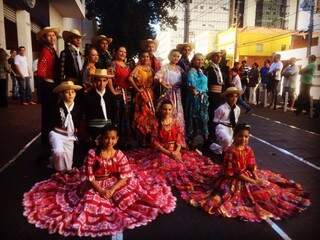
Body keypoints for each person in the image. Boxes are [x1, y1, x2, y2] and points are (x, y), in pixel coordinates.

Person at [23, 125, 176, 237]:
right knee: (89, 204)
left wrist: (112, 189)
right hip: (94, 184)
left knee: (129, 195)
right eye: (107, 138)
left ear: (116, 140)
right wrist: (102, 190)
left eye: (113, 138)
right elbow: (89, 177)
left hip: (114, 183)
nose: (109, 141)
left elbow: (125, 176)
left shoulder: (119, 154)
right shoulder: (92, 154)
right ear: (101, 138)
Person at [183, 123, 310, 222]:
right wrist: (254, 181)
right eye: (240, 136)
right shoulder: (230, 151)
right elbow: (236, 174)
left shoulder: (248, 149)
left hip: (246, 175)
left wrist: (256, 176)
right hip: (232, 179)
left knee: (269, 188)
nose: (244, 139)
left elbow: (252, 165)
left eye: (246, 136)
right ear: (235, 136)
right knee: (244, 196)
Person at [127, 100, 220, 192]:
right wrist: (169, 153)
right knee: (167, 166)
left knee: (185, 166)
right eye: (165, 109)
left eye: (169, 109)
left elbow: (179, 138)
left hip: (175, 150)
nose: (167, 112)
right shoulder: (156, 123)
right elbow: (154, 142)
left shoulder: (175, 122)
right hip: (162, 151)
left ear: (172, 110)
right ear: (161, 110)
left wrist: (176, 151)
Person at [49, 80, 82, 171]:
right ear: (61, 94)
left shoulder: (78, 108)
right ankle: (55, 163)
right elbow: (51, 123)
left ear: (75, 94)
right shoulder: (57, 107)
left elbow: (78, 123)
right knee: (58, 153)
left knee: (68, 168)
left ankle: (54, 160)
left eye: (72, 92)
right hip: (57, 134)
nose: (70, 95)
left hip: (70, 136)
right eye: (67, 92)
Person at [37, 26, 60, 148]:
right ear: (45, 38)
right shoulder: (45, 51)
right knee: (48, 116)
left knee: (51, 116)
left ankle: (50, 142)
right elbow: (41, 71)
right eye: (49, 35)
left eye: (53, 35)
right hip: (48, 86)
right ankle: (46, 144)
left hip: (52, 85)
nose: (52, 37)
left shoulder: (52, 49)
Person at [83, 69, 120, 146]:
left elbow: (114, 114)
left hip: (109, 131)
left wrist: (113, 129)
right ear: (94, 81)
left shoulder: (111, 96)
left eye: (104, 81)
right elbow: (85, 117)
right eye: (99, 81)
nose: (101, 83)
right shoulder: (88, 97)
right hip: (94, 130)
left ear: (107, 82)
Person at [155, 49, 185, 139]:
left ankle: (177, 137)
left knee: (178, 113)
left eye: (178, 56)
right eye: (174, 56)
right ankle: (165, 136)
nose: (176, 58)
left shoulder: (180, 69)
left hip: (177, 93)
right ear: (169, 56)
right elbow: (157, 77)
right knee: (167, 112)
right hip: (168, 93)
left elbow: (184, 80)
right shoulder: (165, 67)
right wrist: (164, 84)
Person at [129, 51, 156, 147]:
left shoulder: (150, 69)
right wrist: (137, 89)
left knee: (150, 115)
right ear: (141, 58)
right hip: (141, 94)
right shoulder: (138, 68)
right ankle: (141, 138)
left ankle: (148, 137)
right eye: (143, 56)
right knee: (142, 115)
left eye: (147, 56)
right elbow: (130, 78)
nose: (146, 58)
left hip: (150, 93)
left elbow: (155, 80)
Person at [111, 46, 134, 146]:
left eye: (124, 52)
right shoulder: (113, 64)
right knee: (118, 116)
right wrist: (113, 91)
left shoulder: (127, 66)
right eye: (120, 51)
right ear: (116, 53)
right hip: (118, 94)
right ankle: (116, 141)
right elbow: (109, 79)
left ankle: (125, 140)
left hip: (127, 94)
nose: (123, 54)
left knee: (126, 116)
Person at [185, 53, 209, 146]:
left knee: (203, 119)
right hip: (195, 99)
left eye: (202, 59)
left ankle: (202, 140)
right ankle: (191, 141)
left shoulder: (201, 71)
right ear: (193, 61)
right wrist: (198, 92)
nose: (200, 61)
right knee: (194, 118)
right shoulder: (192, 71)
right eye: (198, 59)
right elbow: (192, 87)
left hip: (203, 99)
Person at [209, 87, 241, 155]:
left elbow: (235, 121)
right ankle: (220, 148)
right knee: (227, 140)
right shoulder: (221, 108)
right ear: (227, 98)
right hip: (221, 127)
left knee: (233, 144)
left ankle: (215, 147)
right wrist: (215, 134)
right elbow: (215, 121)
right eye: (232, 96)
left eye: (236, 97)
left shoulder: (237, 109)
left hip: (230, 128)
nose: (234, 99)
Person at [206, 51, 224, 121]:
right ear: (212, 57)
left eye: (220, 56)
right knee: (212, 110)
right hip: (212, 93)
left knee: (217, 110)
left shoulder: (218, 67)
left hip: (219, 92)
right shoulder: (210, 68)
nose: (219, 58)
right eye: (217, 56)